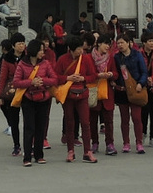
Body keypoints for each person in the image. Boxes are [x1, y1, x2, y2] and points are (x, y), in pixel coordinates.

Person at [11, 38, 58, 166]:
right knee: (29, 127)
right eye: (40, 50)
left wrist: (41, 80)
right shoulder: (22, 64)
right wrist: (31, 82)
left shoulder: (45, 64)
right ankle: (27, 156)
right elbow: (16, 82)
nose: (43, 53)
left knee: (40, 127)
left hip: (43, 98)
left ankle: (39, 155)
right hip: (28, 99)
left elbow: (54, 79)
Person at [56, 34, 96, 163]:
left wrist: (83, 78)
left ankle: (87, 151)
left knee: (85, 123)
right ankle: (70, 151)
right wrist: (68, 78)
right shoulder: (62, 60)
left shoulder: (86, 59)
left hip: (82, 94)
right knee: (69, 122)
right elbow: (55, 77)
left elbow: (93, 76)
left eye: (81, 48)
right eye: (78, 49)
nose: (81, 51)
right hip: (68, 94)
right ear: (71, 49)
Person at [112, 35, 148, 153]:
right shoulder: (116, 57)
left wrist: (141, 83)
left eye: (122, 42)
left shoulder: (137, 55)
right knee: (124, 119)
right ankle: (126, 143)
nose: (120, 45)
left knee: (137, 118)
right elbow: (116, 73)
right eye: (118, 43)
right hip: (122, 91)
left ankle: (139, 142)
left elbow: (144, 72)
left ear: (129, 43)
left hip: (135, 90)